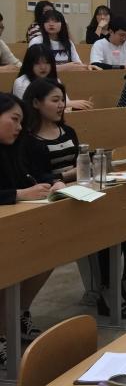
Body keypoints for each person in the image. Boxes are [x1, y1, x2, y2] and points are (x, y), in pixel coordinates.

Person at [0, 93, 59, 365]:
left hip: (12, 225)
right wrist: (19, 195)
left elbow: (27, 177)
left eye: (22, 121)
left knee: (46, 253)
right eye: (14, 119)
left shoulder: (13, 148)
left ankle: (17, 314)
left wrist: (51, 184)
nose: (19, 127)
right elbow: (17, 190)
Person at [21, 78, 81, 184]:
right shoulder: (26, 139)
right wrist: (66, 176)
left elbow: (80, 162)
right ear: (36, 103)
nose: (61, 105)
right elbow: (33, 177)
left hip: (77, 187)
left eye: (63, 100)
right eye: (55, 100)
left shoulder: (68, 131)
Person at [13, 46, 93, 111]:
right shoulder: (21, 82)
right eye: (37, 63)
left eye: (47, 63)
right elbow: (29, 109)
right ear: (30, 64)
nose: (43, 67)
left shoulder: (55, 80)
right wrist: (68, 104)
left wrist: (79, 107)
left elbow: (66, 105)